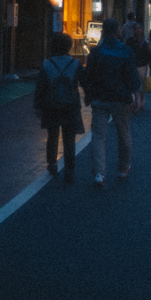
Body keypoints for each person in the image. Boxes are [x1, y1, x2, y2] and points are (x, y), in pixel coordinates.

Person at [82, 19, 140, 187]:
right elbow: (132, 75)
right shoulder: (126, 51)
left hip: (100, 99)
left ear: (103, 31)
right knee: (123, 134)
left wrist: (88, 94)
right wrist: (136, 96)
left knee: (98, 136)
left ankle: (99, 173)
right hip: (121, 99)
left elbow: (88, 76)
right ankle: (123, 168)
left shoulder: (96, 52)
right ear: (117, 32)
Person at [34, 32, 84, 184]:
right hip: (71, 107)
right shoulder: (76, 64)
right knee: (69, 139)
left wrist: (38, 106)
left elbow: (40, 87)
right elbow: (84, 81)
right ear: (69, 46)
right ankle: (69, 171)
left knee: (52, 135)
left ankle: (52, 164)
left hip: (51, 106)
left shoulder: (46, 64)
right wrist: (89, 96)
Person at [129, 21, 151, 113]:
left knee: (142, 85)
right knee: (133, 84)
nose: (137, 30)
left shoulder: (146, 42)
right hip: (132, 66)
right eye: (135, 29)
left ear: (142, 30)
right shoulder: (130, 41)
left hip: (143, 66)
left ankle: (141, 102)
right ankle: (135, 101)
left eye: (139, 28)